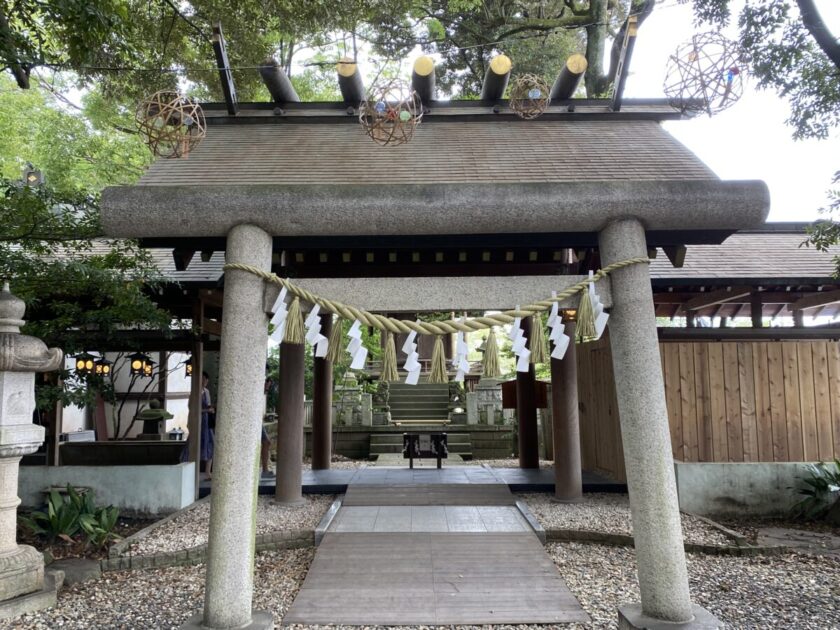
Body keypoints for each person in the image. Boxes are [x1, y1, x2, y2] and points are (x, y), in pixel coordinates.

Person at [201, 371, 215, 479]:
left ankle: (207, 472)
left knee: (211, 444)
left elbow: (209, 404)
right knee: (198, 445)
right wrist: (206, 410)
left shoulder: (206, 391)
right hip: (199, 421)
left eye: (206, 379)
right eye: (203, 379)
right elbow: (193, 408)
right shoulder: (196, 392)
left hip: (207, 422)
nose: (205, 381)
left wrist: (210, 409)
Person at [260, 377, 274, 479]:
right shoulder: (258, 392)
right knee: (266, 442)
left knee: (267, 442)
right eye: (266, 385)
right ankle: (264, 470)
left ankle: (265, 469)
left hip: (259, 422)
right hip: (255, 422)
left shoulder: (264, 394)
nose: (267, 387)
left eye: (268, 386)